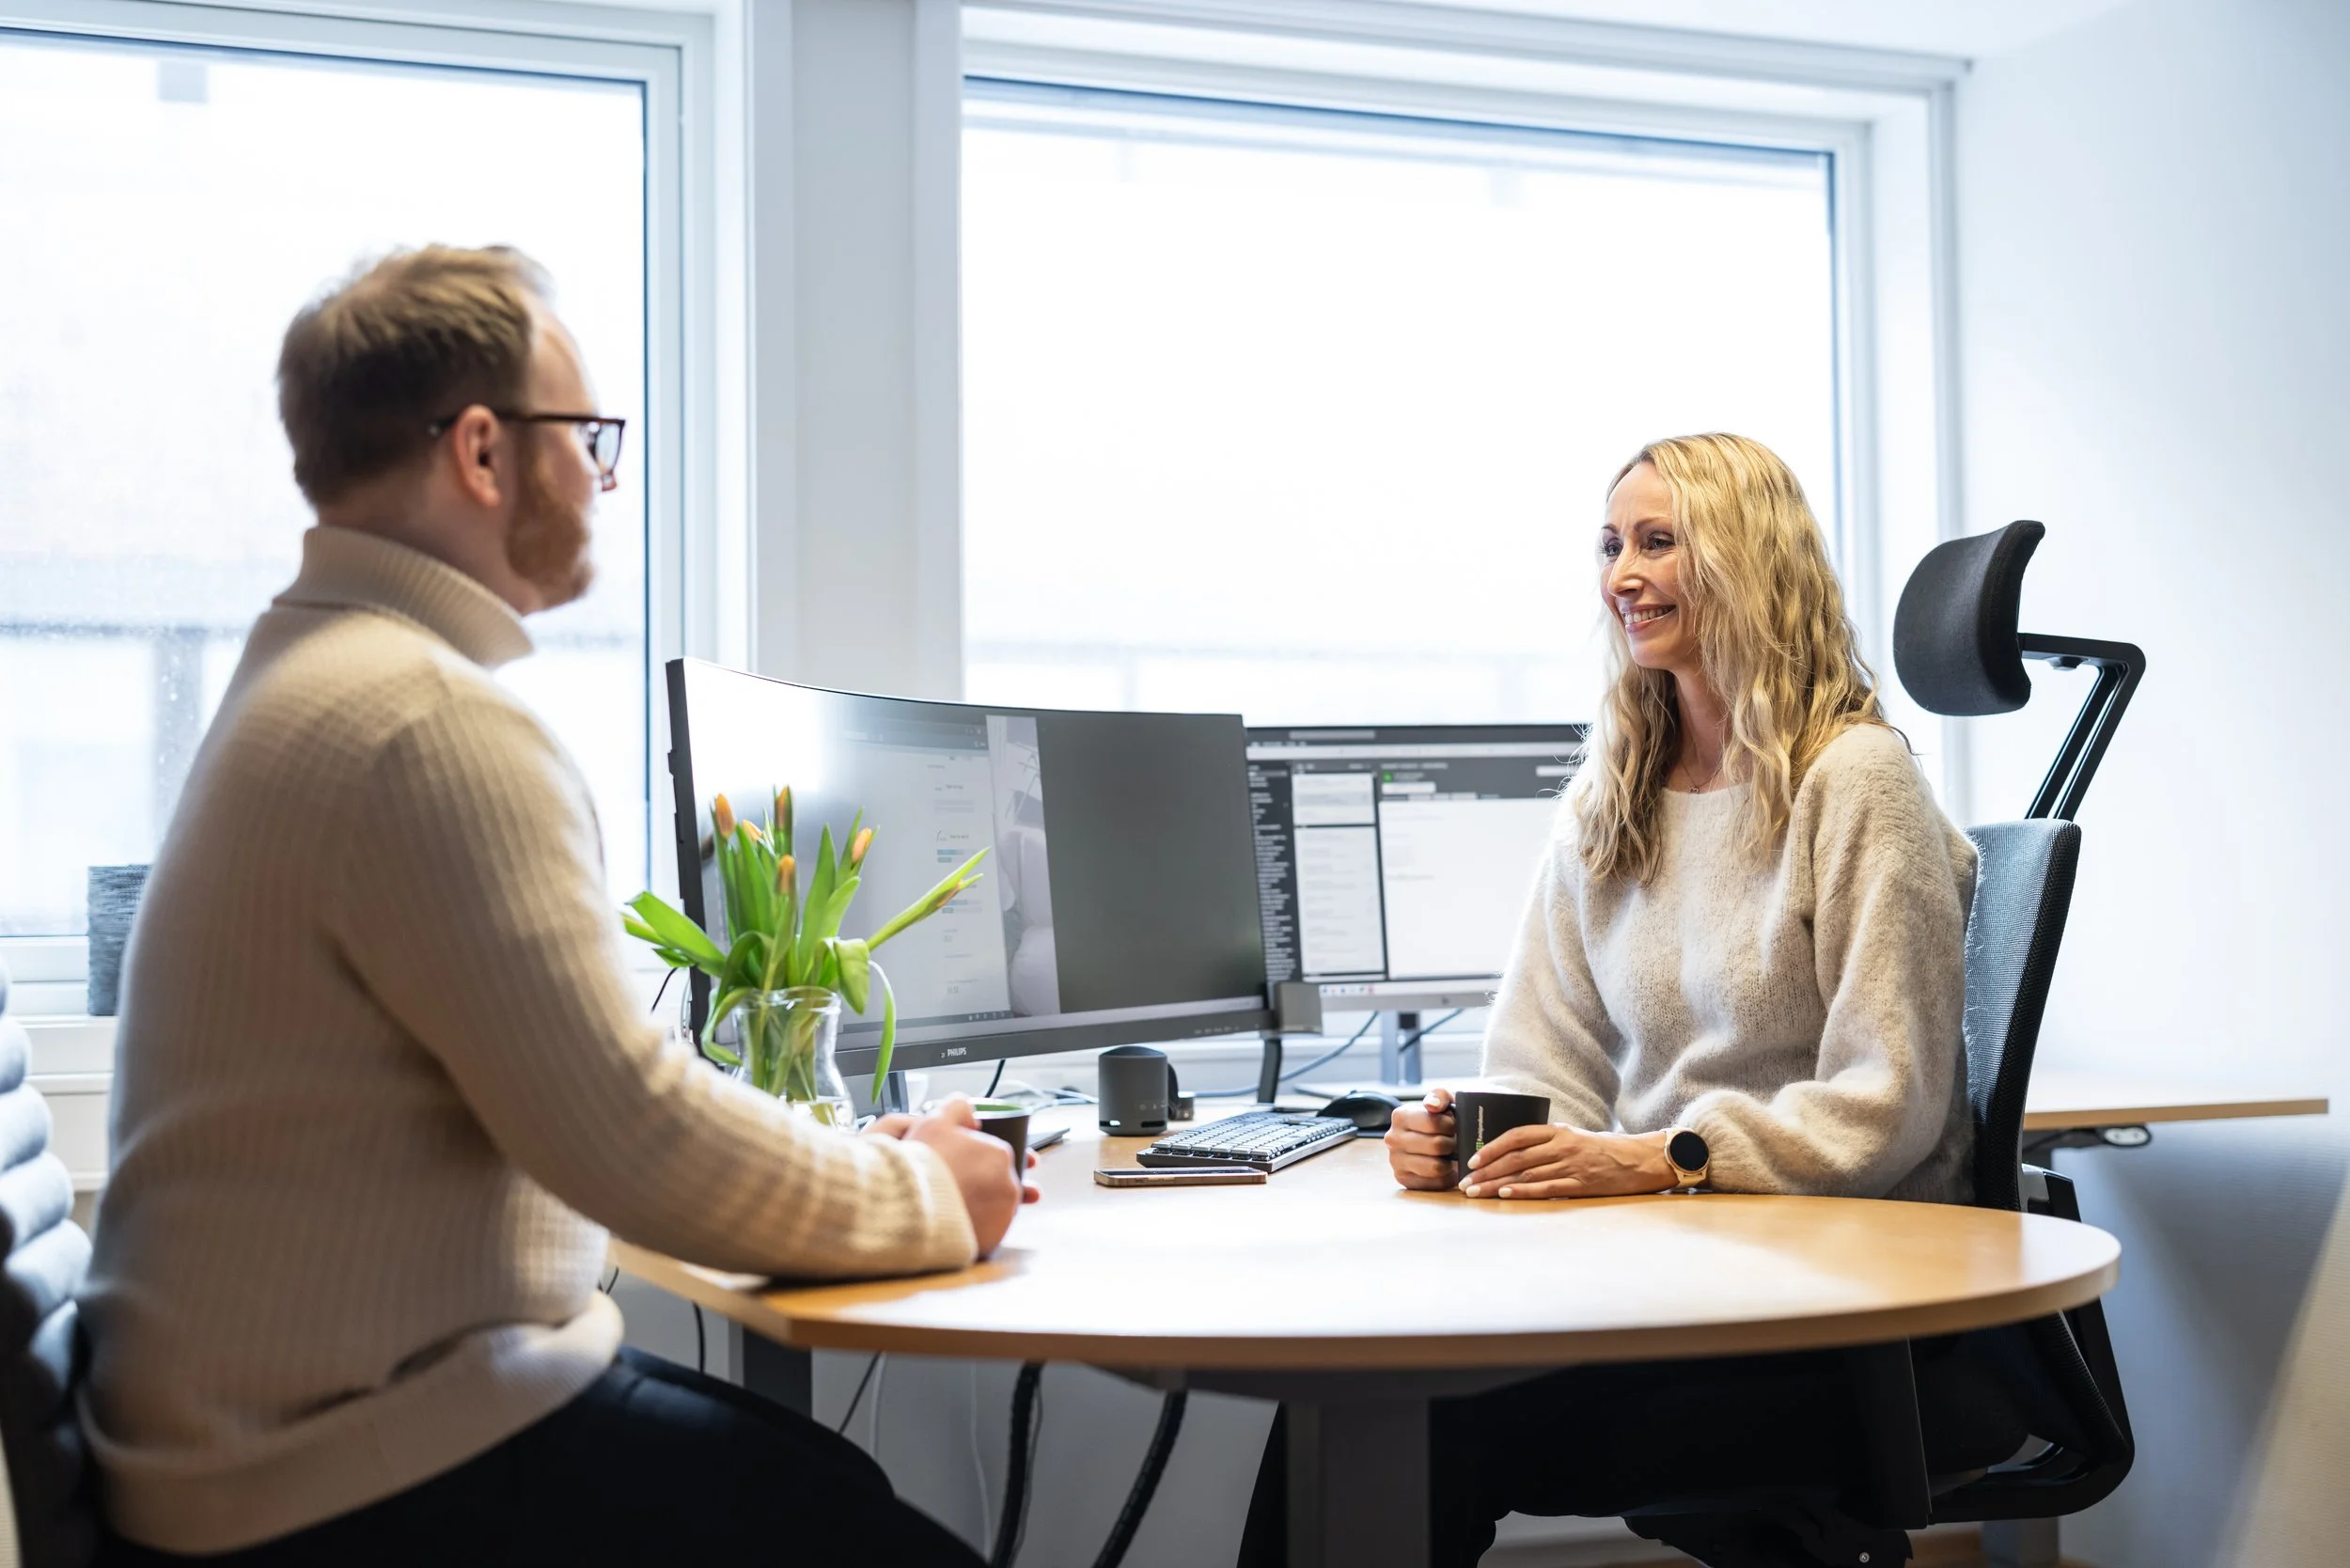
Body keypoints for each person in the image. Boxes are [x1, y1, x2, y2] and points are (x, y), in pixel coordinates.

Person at [81, 245, 1028, 1567]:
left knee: (829, 1483)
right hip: (337, 1476)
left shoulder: (311, 674)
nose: (601, 477)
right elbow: (636, 1141)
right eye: (586, 438)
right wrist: (930, 1192)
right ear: (482, 452)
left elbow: (601, 1093)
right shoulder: (421, 721)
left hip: (284, 1437)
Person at [1240, 433, 2023, 1567]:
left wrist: (1665, 1157)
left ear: (1747, 561)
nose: (1621, 576)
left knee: (1406, 1408)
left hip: (1834, 1308)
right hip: (1679, 1269)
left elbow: (1884, 1101)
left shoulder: (1853, 780)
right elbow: (1538, 1060)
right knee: (1357, 1383)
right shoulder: (1612, 798)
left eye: (1658, 542)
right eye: (1611, 546)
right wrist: (1467, 1137)